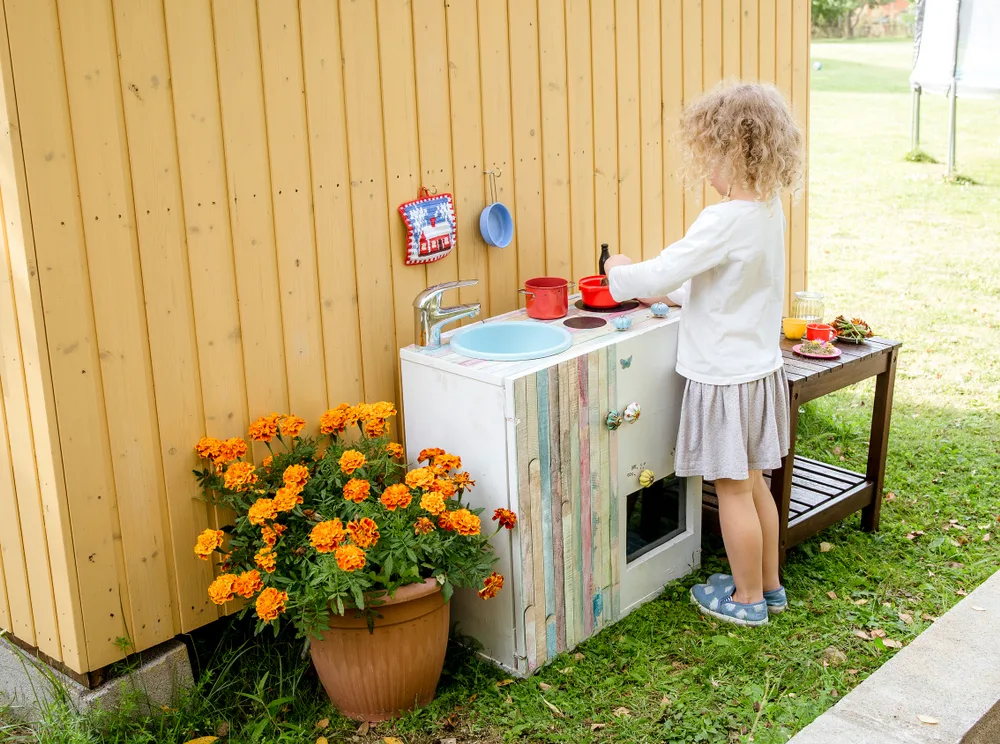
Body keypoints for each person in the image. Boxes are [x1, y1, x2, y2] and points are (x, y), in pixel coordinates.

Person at [604, 82, 804, 627]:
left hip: (724, 377)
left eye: (711, 153)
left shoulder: (723, 219)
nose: (706, 166)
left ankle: (744, 601)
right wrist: (673, 294)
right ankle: (768, 585)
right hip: (758, 369)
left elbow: (663, 269)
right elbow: (730, 286)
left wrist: (617, 271)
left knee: (732, 490)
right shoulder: (767, 210)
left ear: (736, 151)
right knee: (756, 481)